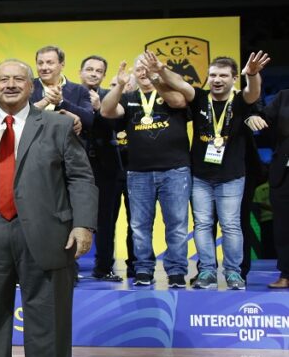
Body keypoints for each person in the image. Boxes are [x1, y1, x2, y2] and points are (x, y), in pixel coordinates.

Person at [0, 59, 96, 357]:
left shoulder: (58, 124)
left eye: (18, 79)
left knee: (48, 311)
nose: (10, 85)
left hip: (47, 228)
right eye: (3, 80)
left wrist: (83, 224)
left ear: (31, 86)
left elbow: (81, 177)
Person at [155, 52, 270, 289]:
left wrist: (252, 74)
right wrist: (160, 69)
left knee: (231, 226)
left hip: (232, 177)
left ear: (234, 78)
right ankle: (207, 271)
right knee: (202, 225)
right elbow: (180, 84)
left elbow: (253, 92)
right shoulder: (199, 97)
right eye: (213, 75)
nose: (217, 80)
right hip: (200, 177)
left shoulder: (240, 101)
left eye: (223, 76)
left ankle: (233, 273)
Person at [100, 53, 190, 287]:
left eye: (147, 68)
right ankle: (143, 269)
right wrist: (119, 85)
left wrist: (157, 78)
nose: (143, 72)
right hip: (138, 172)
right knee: (139, 225)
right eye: (139, 69)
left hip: (175, 170)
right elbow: (106, 111)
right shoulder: (129, 97)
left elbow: (178, 103)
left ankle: (177, 271)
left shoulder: (171, 91)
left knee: (177, 224)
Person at [79, 55, 128, 281]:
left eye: (99, 71)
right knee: (70, 217)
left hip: (107, 165)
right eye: (89, 69)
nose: (93, 74)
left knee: (106, 219)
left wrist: (100, 108)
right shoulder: (69, 94)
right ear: (80, 72)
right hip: (76, 165)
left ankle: (104, 267)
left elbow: (117, 125)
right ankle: (68, 268)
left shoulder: (112, 97)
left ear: (104, 75)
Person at [255, 89, 289, 288]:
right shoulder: (284, 96)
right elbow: (263, 117)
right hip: (284, 172)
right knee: (283, 227)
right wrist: (253, 116)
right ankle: (286, 274)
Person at [31, 45, 94, 135]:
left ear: (62, 65)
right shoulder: (27, 87)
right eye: (40, 63)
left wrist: (61, 102)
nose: (44, 67)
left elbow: (89, 119)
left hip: (67, 141)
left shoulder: (79, 90)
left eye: (50, 63)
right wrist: (44, 102)